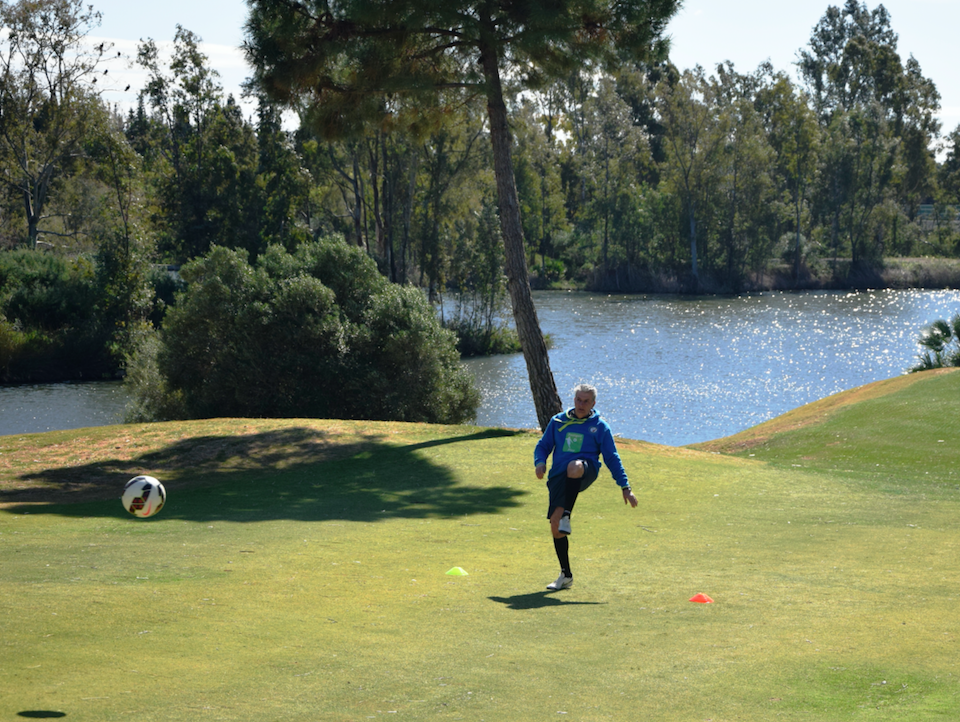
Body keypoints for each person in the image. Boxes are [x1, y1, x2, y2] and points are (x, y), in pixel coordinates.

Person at [534, 383, 637, 590]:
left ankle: (567, 515)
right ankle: (566, 575)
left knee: (575, 466)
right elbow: (543, 445)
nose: (581, 404)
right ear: (574, 400)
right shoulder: (558, 422)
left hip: (585, 471)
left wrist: (625, 486)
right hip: (558, 477)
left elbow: (612, 457)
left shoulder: (600, 427)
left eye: (586, 401)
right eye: (578, 400)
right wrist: (540, 462)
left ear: (593, 403)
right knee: (556, 527)